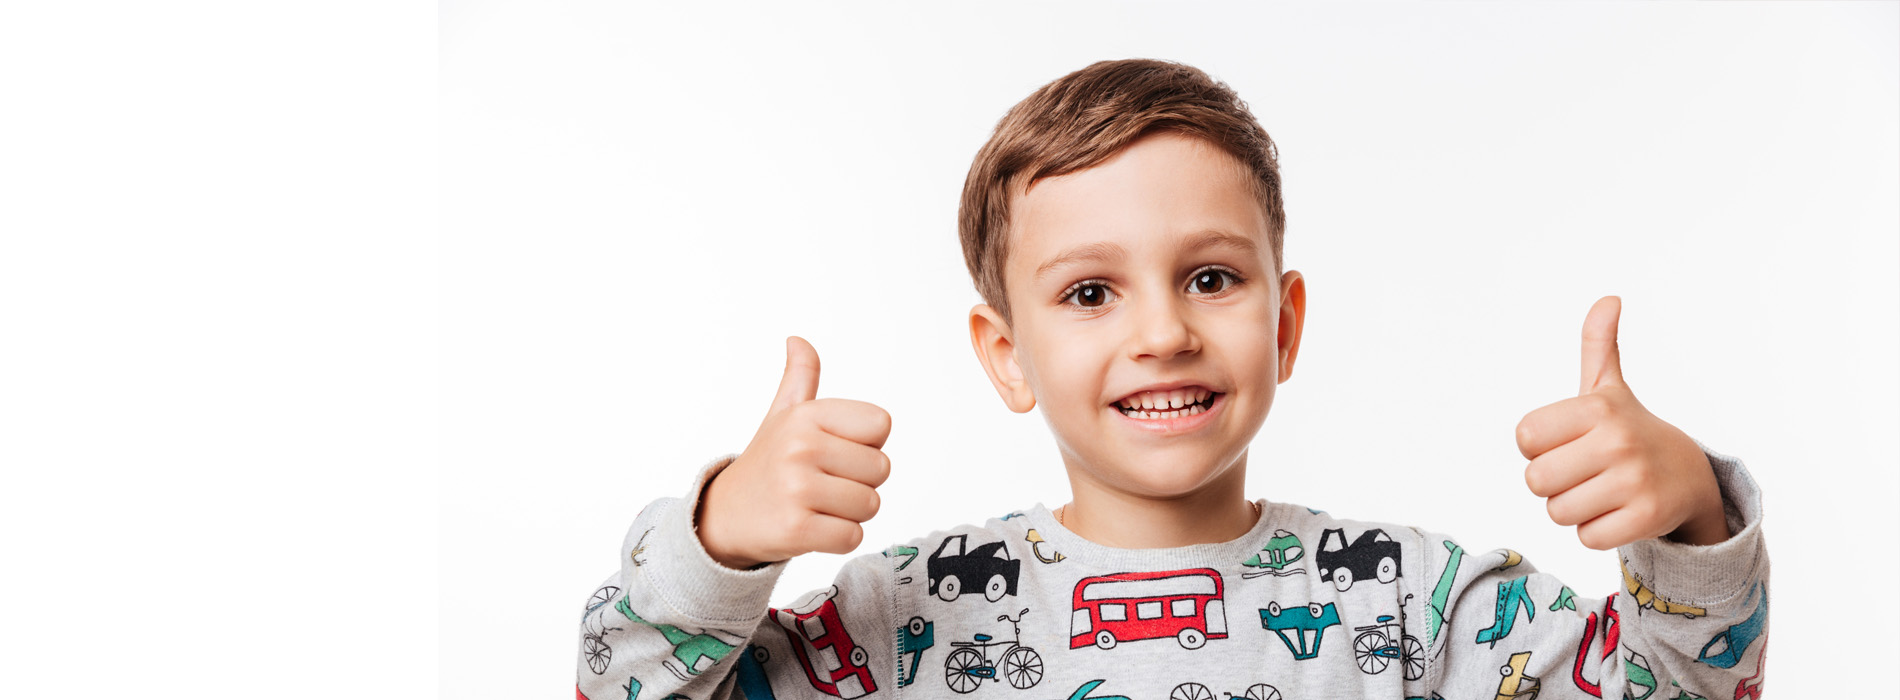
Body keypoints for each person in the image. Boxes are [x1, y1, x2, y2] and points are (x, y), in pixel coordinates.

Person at [575, 58, 1768, 700]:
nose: (1162, 333)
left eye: (1209, 278)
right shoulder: (903, 619)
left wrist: (1691, 519)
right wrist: (720, 538)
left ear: (1283, 323)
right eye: (1090, 293)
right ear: (1008, 356)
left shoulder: (1416, 607)